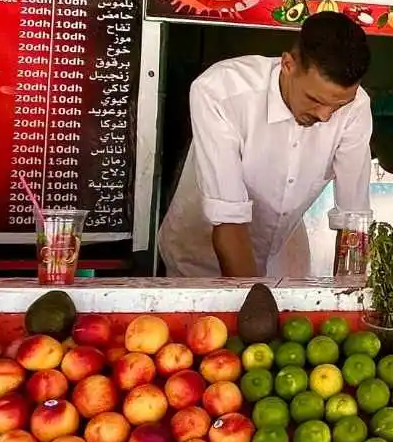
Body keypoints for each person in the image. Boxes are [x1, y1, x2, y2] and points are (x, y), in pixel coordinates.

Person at [157, 14, 374, 278]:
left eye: (338, 106)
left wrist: (349, 297)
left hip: (282, 256)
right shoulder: (220, 92)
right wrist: (255, 309)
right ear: (288, 65)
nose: (325, 116)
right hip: (200, 257)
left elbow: (354, 219)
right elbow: (229, 221)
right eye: (314, 100)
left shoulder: (356, 107)